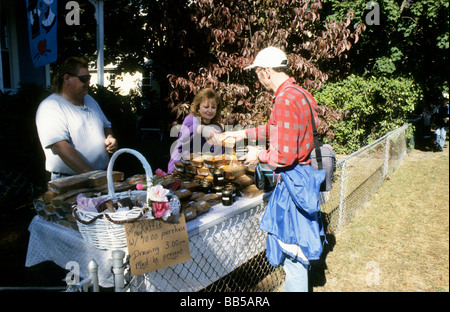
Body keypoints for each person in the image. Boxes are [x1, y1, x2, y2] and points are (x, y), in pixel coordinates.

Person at [222, 47, 326, 292]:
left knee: (294, 252)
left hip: (295, 183)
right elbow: (274, 130)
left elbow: (285, 156)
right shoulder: (300, 93)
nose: (258, 79)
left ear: (266, 71)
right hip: (305, 175)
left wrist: (258, 155)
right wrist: (241, 134)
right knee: (296, 250)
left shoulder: (284, 98)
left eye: (257, 73)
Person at [35, 56, 118, 180]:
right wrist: (93, 176)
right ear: (67, 79)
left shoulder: (90, 100)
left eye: (88, 78)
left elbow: (106, 125)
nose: (88, 83)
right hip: (71, 180)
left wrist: (110, 137)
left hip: (98, 176)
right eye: (83, 79)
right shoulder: (50, 106)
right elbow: (60, 146)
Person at [168, 88, 224, 173]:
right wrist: (201, 129)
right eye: (206, 107)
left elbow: (219, 151)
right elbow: (185, 135)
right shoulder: (190, 119)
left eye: (213, 107)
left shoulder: (216, 127)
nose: (210, 110)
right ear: (198, 107)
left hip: (201, 172)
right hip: (180, 168)